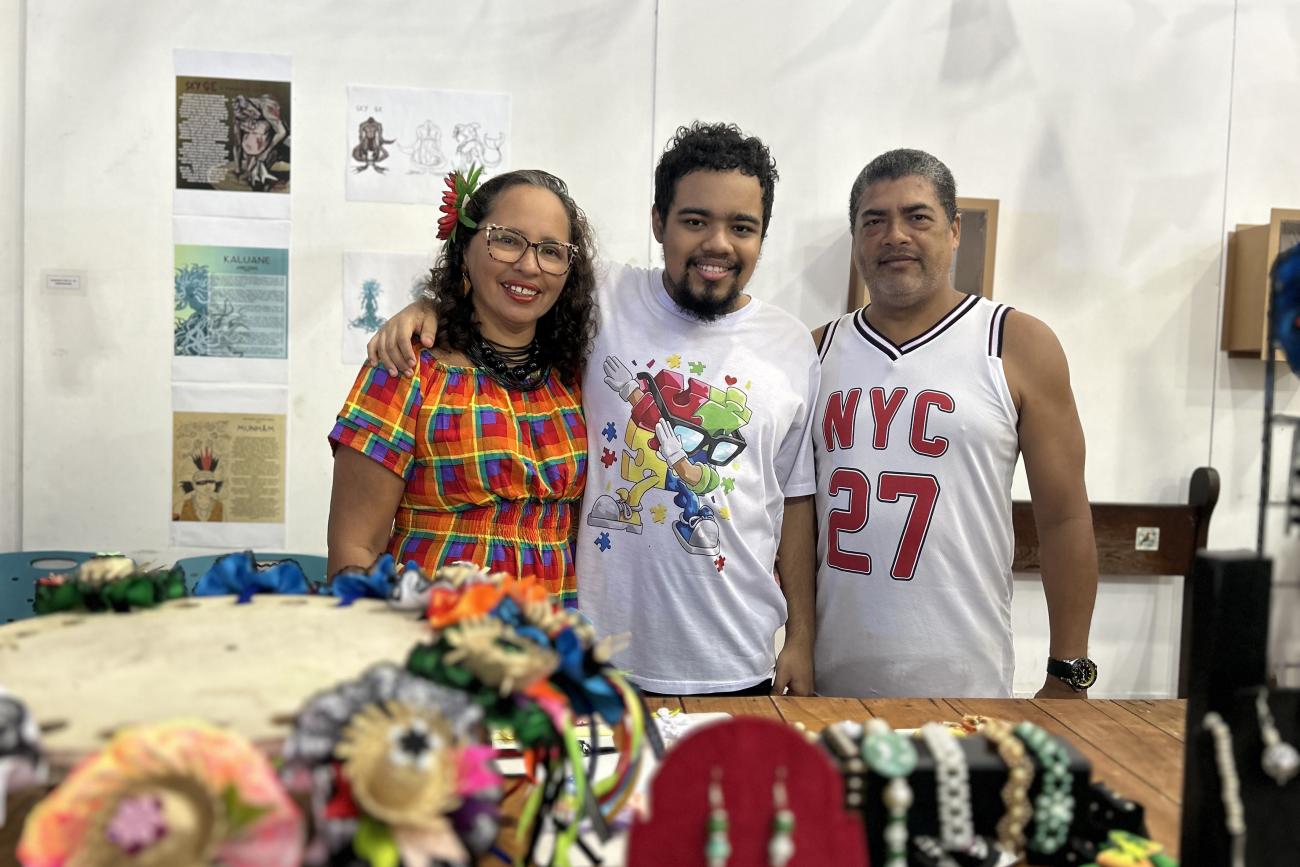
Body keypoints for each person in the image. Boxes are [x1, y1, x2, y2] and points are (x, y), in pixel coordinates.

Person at [369, 123, 820, 697]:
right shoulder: (602, 299)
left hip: (738, 659)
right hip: (596, 660)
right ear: (658, 222)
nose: (718, 244)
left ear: (762, 235)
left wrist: (801, 637)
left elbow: (795, 502)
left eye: (742, 227)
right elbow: (514, 283)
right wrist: (429, 307)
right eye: (694, 221)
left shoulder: (790, 345)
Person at [812, 148, 1098, 699]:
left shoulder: (1016, 342)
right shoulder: (816, 352)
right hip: (832, 682)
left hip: (969, 682)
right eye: (874, 221)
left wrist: (1069, 670)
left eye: (917, 217)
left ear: (955, 230)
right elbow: (796, 521)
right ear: (855, 239)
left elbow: (1063, 517)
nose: (895, 235)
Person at [326, 169, 598, 608]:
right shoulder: (406, 367)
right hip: (433, 633)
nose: (529, 265)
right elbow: (355, 549)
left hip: (548, 634)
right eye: (507, 240)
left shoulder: (574, 379)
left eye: (551, 251)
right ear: (464, 249)